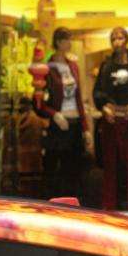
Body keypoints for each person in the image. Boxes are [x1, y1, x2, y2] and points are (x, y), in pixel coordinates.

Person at [91, 26, 128, 210]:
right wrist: (103, 107)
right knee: (110, 165)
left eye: (120, 38)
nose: (117, 42)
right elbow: (97, 92)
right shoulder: (106, 65)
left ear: (126, 40)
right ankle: (109, 207)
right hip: (110, 120)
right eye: (114, 39)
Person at [34, 27, 92, 201]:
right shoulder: (46, 68)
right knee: (55, 170)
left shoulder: (73, 66)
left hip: (74, 122)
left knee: (74, 169)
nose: (70, 43)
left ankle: (73, 205)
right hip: (59, 125)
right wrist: (55, 114)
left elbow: (78, 98)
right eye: (67, 39)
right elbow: (38, 103)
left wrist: (85, 128)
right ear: (59, 42)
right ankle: (54, 205)